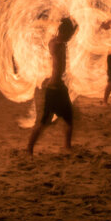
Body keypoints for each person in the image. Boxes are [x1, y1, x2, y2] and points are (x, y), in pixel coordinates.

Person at [27, 17, 78, 156]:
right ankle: (29, 148)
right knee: (43, 122)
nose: (69, 37)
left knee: (69, 119)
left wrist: (72, 20)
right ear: (62, 32)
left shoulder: (63, 42)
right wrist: (60, 26)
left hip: (60, 88)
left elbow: (73, 30)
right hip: (52, 89)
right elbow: (60, 39)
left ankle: (67, 146)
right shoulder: (55, 44)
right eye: (67, 34)